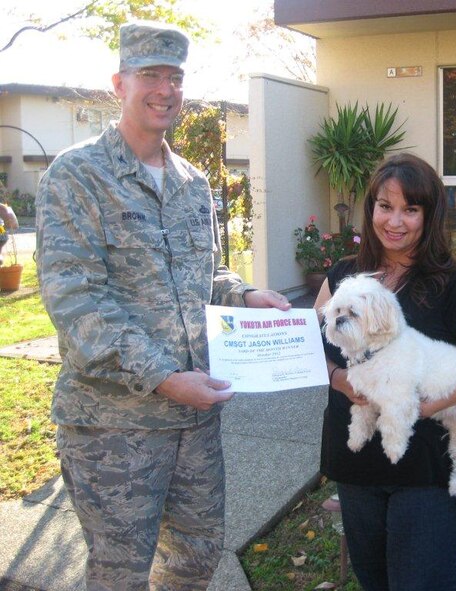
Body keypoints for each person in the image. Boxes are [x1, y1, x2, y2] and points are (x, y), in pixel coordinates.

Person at [35, 21, 291, 590]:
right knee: (119, 574)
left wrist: (248, 296)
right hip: (114, 428)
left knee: (196, 560)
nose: (165, 89)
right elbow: (76, 302)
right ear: (119, 83)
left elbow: (205, 274)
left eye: (174, 77)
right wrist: (164, 378)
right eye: (150, 74)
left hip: (194, 424)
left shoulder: (191, 181)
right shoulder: (77, 176)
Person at [314, 153, 456, 590]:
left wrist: (429, 406)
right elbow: (311, 344)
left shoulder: (451, 284)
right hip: (357, 467)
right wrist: (338, 379)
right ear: (371, 210)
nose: (395, 221)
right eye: (385, 206)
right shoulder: (345, 274)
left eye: (411, 209)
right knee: (375, 582)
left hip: (425, 475)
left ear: (429, 214)